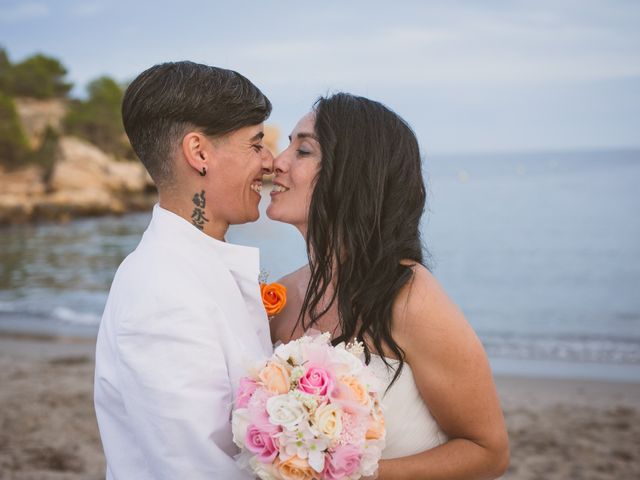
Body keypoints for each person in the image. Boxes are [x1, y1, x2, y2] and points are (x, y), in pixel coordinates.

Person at [268, 93, 510, 479]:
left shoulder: (408, 297)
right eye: (287, 146)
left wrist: (354, 475)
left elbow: (488, 451)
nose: (276, 162)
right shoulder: (279, 298)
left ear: (351, 172)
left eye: (303, 150)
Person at [94, 61, 274, 479]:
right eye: (255, 144)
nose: (269, 161)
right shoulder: (163, 294)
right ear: (199, 153)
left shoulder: (191, 267)